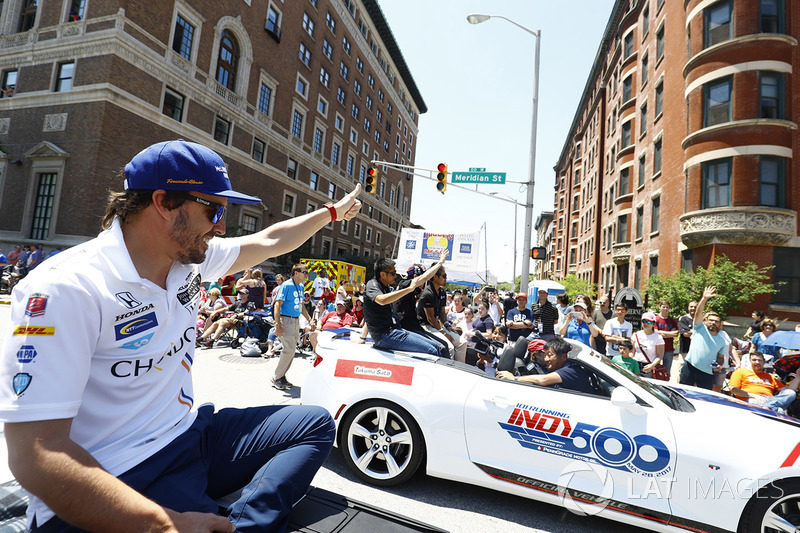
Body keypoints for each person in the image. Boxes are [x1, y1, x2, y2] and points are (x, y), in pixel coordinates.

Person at [0, 139, 362, 533]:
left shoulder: (188, 258)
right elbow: (37, 456)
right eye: (213, 209)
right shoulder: (66, 288)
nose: (222, 225)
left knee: (316, 423)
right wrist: (164, 525)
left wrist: (331, 213)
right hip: (118, 472)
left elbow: (270, 241)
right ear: (163, 202)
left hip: (187, 436)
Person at [362, 254, 449, 357]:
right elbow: (382, 300)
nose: (395, 276)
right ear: (383, 274)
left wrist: (440, 262)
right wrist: (409, 289)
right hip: (385, 336)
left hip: (395, 330)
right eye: (393, 273)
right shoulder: (372, 285)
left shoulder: (386, 286)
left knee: (437, 346)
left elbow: (423, 278)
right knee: (432, 350)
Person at [496, 337, 594, 394]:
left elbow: (543, 380)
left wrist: (514, 379)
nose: (546, 359)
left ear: (563, 357)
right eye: (545, 355)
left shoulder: (570, 370)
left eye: (550, 355)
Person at [679, 286, 730, 390]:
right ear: (705, 321)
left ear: (720, 324)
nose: (713, 323)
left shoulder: (722, 340)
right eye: (710, 320)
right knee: (682, 393)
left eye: (716, 321)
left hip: (707, 373)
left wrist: (719, 365)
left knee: (703, 398)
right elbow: (698, 313)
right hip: (690, 367)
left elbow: (720, 358)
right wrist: (704, 298)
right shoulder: (699, 328)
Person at [272, 263, 312, 390]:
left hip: (295, 321)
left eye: (307, 272)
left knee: (291, 350)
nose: (307, 274)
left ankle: (281, 376)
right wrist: (277, 325)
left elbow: (301, 306)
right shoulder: (286, 285)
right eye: (304, 272)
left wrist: (309, 319)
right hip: (286, 320)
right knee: (288, 349)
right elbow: (277, 305)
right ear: (296, 273)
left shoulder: (300, 286)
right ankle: (277, 377)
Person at [417, 266, 468, 362]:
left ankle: (460, 369)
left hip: (436, 325)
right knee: (449, 348)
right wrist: (444, 333)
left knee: (462, 342)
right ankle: (450, 373)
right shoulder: (428, 293)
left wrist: (448, 326)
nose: (446, 278)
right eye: (444, 276)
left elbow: (442, 314)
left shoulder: (442, 292)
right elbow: (430, 319)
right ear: (435, 277)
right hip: (426, 326)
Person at [729, 352, 800, 414]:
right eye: (754, 360)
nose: (757, 362)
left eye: (759, 360)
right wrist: (754, 396)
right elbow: (733, 389)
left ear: (763, 362)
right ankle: (770, 408)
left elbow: (787, 392)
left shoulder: (771, 377)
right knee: (779, 410)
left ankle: (768, 407)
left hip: (770, 400)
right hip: (750, 399)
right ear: (750, 361)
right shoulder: (740, 372)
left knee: (791, 393)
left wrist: (798, 377)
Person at [631, 311, 665, 378]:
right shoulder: (636, 335)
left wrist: (651, 365)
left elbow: (660, 356)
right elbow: (632, 351)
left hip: (649, 367)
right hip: (636, 365)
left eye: (649, 322)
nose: (646, 323)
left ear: (653, 324)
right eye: (644, 321)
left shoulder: (658, 337)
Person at [654, 300, 679, 377]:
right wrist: (669, 334)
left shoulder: (672, 321)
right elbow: (655, 332)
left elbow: (675, 334)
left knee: (667, 370)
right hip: (656, 347)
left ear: (669, 308)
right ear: (659, 307)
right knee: (655, 368)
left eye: (667, 307)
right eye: (663, 307)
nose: (665, 309)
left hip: (669, 349)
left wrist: (661, 333)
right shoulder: (656, 319)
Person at [676, 301, 698, 376]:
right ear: (688, 308)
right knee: (681, 372)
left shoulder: (701, 320)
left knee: (695, 373)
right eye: (691, 306)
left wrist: (691, 331)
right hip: (685, 350)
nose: (693, 308)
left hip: (698, 351)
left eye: (695, 307)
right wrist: (697, 332)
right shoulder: (683, 319)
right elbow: (685, 334)